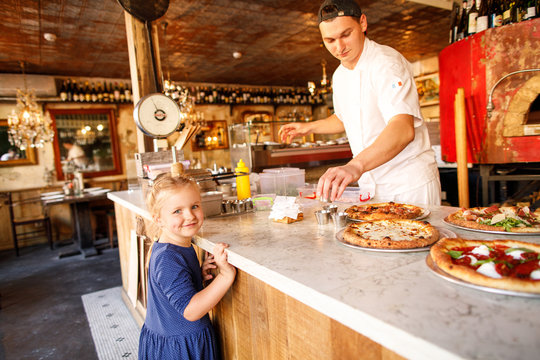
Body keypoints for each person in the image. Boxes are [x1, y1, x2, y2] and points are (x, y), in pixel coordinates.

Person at [279, 0, 441, 205]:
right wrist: (308, 127)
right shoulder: (339, 76)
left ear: (362, 23)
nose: (339, 47)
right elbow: (344, 117)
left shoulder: (386, 63)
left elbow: (402, 128)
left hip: (407, 186)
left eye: (346, 35)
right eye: (330, 40)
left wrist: (355, 166)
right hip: (372, 186)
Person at [139, 173, 236, 360]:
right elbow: (191, 311)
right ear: (158, 219)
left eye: (194, 206)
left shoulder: (176, 246)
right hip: (179, 350)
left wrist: (196, 276)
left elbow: (172, 293)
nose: (190, 216)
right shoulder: (168, 258)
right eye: (177, 211)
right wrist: (225, 276)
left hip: (177, 342)